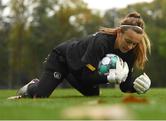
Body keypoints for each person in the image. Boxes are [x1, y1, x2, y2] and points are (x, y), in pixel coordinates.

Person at [16, 11, 151, 98]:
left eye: (134, 44)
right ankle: (32, 85)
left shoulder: (131, 52)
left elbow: (124, 86)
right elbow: (87, 77)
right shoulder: (101, 42)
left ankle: (67, 74)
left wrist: (137, 86)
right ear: (119, 32)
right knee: (39, 96)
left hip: (79, 69)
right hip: (62, 58)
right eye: (128, 41)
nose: (130, 46)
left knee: (93, 96)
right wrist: (108, 78)